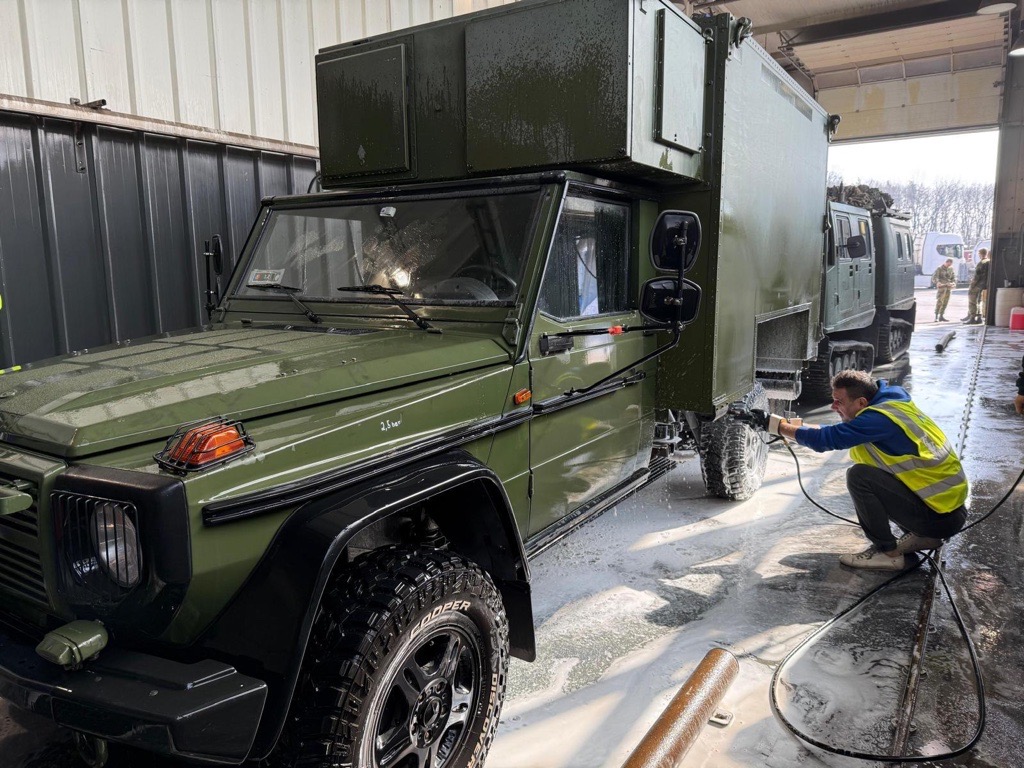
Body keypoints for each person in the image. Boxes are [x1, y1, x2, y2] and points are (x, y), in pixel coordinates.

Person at [767, 370, 968, 571]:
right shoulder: (893, 402)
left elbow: (826, 440)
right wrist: (790, 425)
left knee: (860, 476)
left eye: (839, 402)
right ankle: (925, 537)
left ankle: (887, 552)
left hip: (939, 519)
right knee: (869, 473)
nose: (833, 406)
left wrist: (774, 427)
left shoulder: (878, 421)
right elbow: (834, 431)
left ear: (862, 403)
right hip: (945, 510)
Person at [963, 247, 990, 324]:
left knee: (972, 299)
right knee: (979, 301)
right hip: (986, 285)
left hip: (979, 285)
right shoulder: (989, 261)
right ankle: (979, 317)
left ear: (980, 254)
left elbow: (977, 276)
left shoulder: (981, 263)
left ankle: (972, 317)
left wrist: (972, 285)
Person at [931, 258, 956, 322]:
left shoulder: (951, 269)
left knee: (945, 302)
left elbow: (953, 277)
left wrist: (953, 283)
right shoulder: (939, 268)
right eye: (948, 264)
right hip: (942, 287)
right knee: (940, 301)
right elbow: (934, 277)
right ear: (946, 262)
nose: (949, 265)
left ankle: (941, 316)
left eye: (950, 264)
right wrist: (938, 282)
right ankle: (936, 315)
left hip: (948, 287)